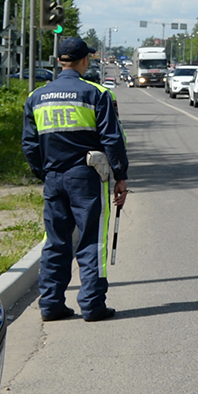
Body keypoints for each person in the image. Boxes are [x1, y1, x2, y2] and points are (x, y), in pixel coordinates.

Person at [22, 37, 129, 322]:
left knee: (56, 242)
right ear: (85, 60)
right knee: (92, 241)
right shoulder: (97, 94)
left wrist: (43, 172)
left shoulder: (37, 96)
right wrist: (121, 176)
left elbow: (30, 145)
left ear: (59, 61)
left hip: (53, 177)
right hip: (87, 179)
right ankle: (92, 306)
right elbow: (112, 140)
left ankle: (51, 305)